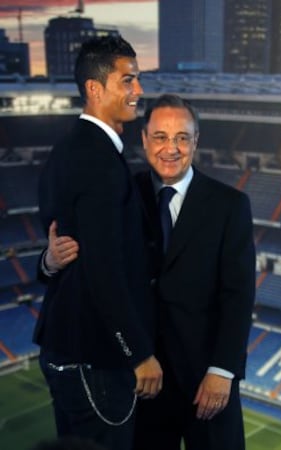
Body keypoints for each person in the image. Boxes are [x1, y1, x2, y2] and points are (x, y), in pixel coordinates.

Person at [43, 94, 256, 450]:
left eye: (182, 137)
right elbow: (92, 265)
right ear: (144, 140)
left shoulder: (230, 204)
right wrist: (49, 262)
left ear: (195, 141)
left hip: (208, 382)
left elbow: (239, 294)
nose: (170, 148)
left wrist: (223, 370)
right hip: (143, 382)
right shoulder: (122, 193)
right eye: (160, 137)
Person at [33, 36, 162, 450]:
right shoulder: (98, 161)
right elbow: (103, 267)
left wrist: (48, 263)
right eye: (128, 81)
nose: (138, 91)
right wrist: (138, 352)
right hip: (97, 358)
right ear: (95, 88)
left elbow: (66, 243)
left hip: (69, 349)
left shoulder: (69, 150)